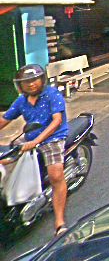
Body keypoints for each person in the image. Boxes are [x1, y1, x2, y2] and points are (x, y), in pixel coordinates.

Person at [0, 64, 69, 236]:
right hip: (30, 137)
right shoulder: (21, 101)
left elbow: (57, 121)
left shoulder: (52, 95)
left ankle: (60, 222)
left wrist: (37, 141)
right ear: (20, 85)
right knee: (4, 161)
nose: (31, 84)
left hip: (53, 138)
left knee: (56, 176)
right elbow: (4, 119)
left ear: (42, 80)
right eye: (26, 82)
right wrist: (32, 141)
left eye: (34, 80)